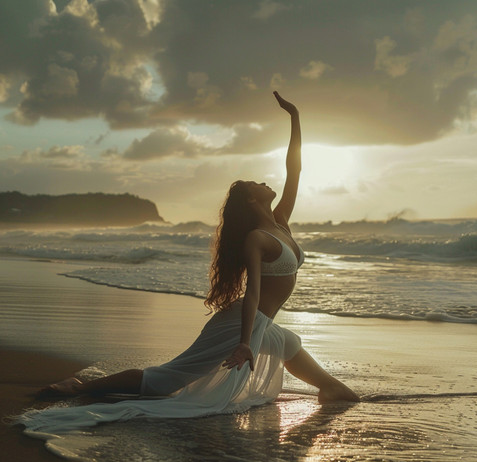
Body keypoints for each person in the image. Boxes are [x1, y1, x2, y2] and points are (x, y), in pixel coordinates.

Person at [40, 92, 359, 410]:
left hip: (259, 322)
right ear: (252, 200)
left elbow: (295, 171)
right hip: (240, 325)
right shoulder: (257, 239)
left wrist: (295, 117)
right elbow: (252, 295)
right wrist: (245, 343)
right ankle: (80, 387)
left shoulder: (280, 222)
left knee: (287, 343)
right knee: (167, 381)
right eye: (255, 183)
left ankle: (330, 387)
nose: (264, 182)